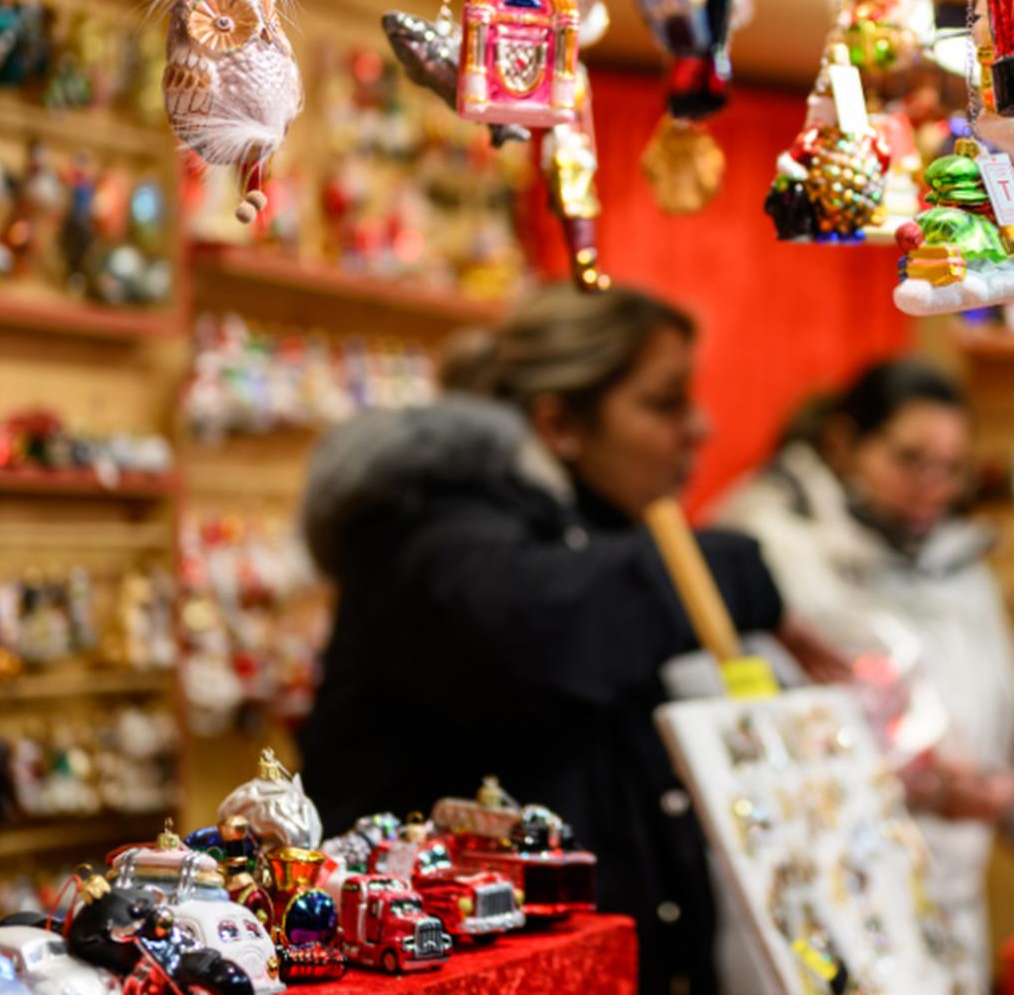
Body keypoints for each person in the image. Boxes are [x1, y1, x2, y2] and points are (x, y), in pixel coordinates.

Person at [297, 284, 828, 995]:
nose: (699, 428)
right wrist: (738, 573)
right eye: (664, 402)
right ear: (559, 425)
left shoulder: (588, 532)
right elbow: (545, 633)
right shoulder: (428, 534)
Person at [717, 359, 1014, 989]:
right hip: (822, 924)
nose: (933, 485)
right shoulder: (766, 555)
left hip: (947, 922)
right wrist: (921, 789)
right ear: (843, 444)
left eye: (951, 467)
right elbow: (759, 753)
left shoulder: (960, 567)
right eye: (910, 459)